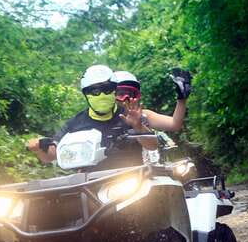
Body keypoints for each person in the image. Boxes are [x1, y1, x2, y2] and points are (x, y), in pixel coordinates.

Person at [26, 64, 158, 169]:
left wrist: (138, 126)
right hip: (88, 185)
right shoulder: (74, 124)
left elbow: (152, 146)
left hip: (132, 182)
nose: (101, 95)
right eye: (94, 91)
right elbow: (53, 154)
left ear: (114, 90)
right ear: (86, 94)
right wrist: (38, 148)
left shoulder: (130, 114)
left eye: (106, 89)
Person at [111, 68, 192, 132]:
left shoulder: (143, 115)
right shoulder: (101, 116)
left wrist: (182, 99)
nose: (127, 98)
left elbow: (174, 125)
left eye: (131, 94)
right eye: (121, 94)